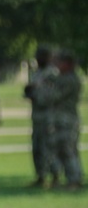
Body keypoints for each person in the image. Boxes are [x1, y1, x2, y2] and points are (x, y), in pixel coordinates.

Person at [44, 50, 83, 190]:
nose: (57, 65)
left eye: (60, 62)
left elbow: (54, 97)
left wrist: (43, 90)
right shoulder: (63, 78)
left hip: (68, 120)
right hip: (61, 120)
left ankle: (74, 180)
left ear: (67, 64)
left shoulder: (70, 79)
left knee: (68, 150)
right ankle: (68, 178)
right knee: (60, 150)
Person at [24, 45, 61, 188]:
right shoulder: (37, 73)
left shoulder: (53, 74)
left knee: (50, 147)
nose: (38, 59)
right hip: (37, 116)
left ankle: (56, 175)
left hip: (48, 115)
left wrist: (38, 95)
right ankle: (41, 176)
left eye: (41, 56)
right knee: (37, 147)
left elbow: (53, 95)